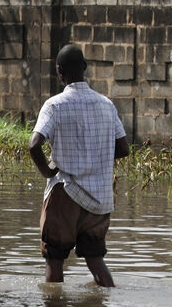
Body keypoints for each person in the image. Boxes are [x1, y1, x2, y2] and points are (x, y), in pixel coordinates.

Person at [29, 44, 130, 288]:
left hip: (65, 193)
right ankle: (106, 303)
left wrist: (47, 171)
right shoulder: (106, 105)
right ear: (85, 67)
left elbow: (34, 145)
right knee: (95, 260)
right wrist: (95, 159)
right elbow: (123, 149)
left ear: (59, 71)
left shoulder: (54, 105)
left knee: (54, 260)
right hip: (99, 198)